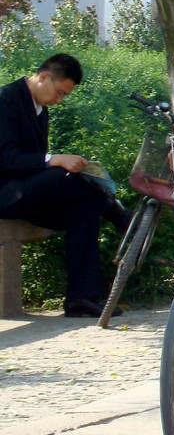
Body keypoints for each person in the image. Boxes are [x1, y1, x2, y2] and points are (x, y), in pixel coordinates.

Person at [0, 54, 131, 318]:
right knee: (65, 175)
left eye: (64, 96)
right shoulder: (5, 100)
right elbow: (6, 158)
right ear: (44, 76)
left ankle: (82, 298)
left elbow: (34, 164)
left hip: (27, 193)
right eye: (59, 93)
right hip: (5, 192)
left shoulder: (40, 108)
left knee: (83, 211)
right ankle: (118, 213)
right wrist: (54, 160)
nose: (59, 100)